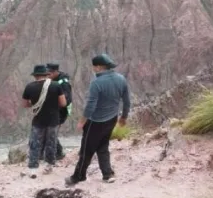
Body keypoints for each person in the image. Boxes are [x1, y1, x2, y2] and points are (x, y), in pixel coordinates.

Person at [65, 54, 131, 186]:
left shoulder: (97, 82)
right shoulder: (121, 79)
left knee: (86, 150)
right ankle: (107, 174)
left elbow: (91, 105)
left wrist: (83, 121)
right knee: (103, 146)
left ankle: (78, 176)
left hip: (95, 122)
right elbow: (127, 101)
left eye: (94, 66)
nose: (93, 69)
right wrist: (123, 117)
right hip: (112, 119)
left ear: (99, 67)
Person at [22, 64, 67, 175]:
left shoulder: (29, 87)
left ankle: (33, 167)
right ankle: (49, 165)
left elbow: (25, 104)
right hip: (53, 119)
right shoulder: (56, 86)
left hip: (38, 120)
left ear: (35, 76)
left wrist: (36, 103)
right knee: (51, 142)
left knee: (35, 143)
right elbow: (63, 103)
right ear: (46, 74)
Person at [46, 62, 73, 160]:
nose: (47, 76)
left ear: (55, 72)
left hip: (62, 111)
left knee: (50, 131)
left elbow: (67, 99)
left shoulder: (64, 82)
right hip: (52, 110)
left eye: (49, 74)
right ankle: (56, 152)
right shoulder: (51, 80)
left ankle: (58, 153)